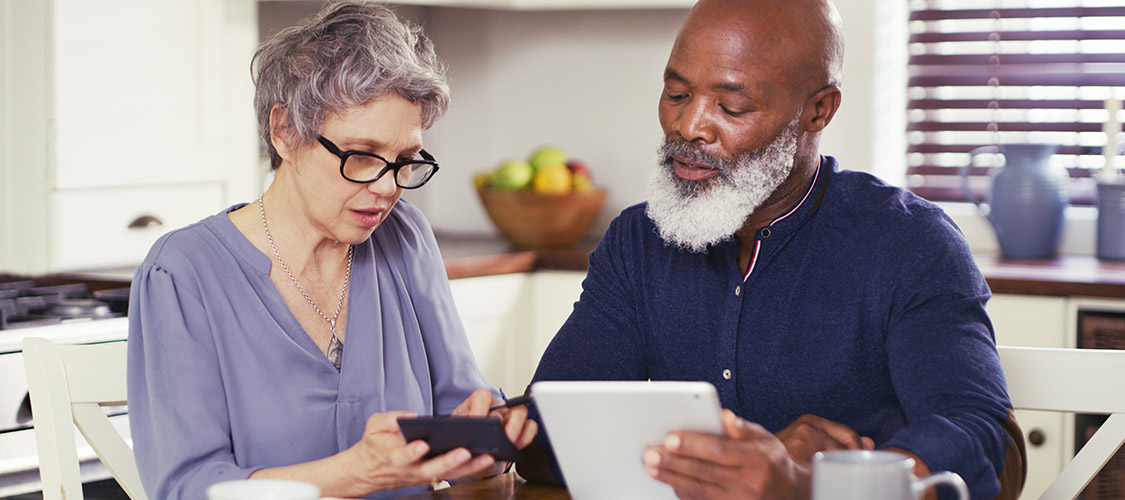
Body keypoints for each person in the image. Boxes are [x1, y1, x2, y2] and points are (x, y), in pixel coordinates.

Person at [517, 0, 1026, 499]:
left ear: (818, 110)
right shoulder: (638, 242)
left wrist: (814, 486)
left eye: (731, 106)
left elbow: (990, 450)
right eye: (676, 93)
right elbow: (545, 437)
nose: (689, 126)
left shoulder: (911, 244)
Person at [126, 4, 536, 499]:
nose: (388, 188)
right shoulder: (183, 272)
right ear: (284, 133)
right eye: (361, 156)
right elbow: (185, 487)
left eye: (405, 160)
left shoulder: (404, 236)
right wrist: (355, 472)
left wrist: (485, 442)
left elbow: (461, 409)